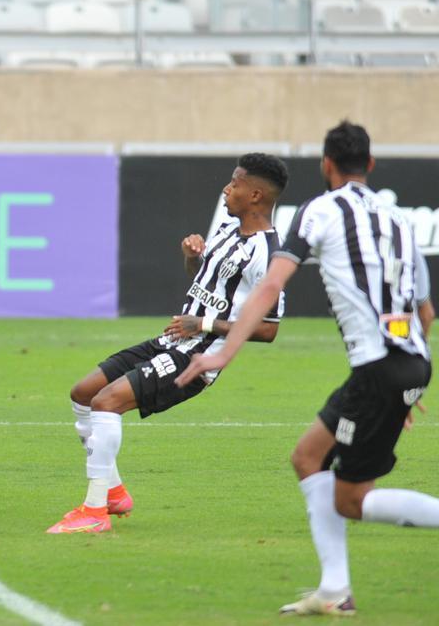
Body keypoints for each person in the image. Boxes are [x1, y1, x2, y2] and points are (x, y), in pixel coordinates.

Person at [176, 122, 436, 616]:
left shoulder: (321, 210)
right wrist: (411, 376)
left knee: (351, 500)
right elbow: (424, 311)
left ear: (326, 165)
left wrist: (222, 351)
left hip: (381, 370)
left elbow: (270, 287)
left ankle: (336, 590)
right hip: (408, 364)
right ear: (372, 166)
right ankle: (334, 591)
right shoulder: (399, 219)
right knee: (308, 459)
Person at [48, 153, 290, 534]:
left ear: (256, 195)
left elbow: (268, 329)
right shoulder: (228, 232)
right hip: (170, 341)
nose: (227, 188)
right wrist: (191, 259)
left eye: (236, 183)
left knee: (106, 402)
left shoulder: (269, 254)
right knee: (83, 394)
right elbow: (202, 287)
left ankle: (93, 513)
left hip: (197, 358)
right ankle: (112, 491)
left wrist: (205, 323)